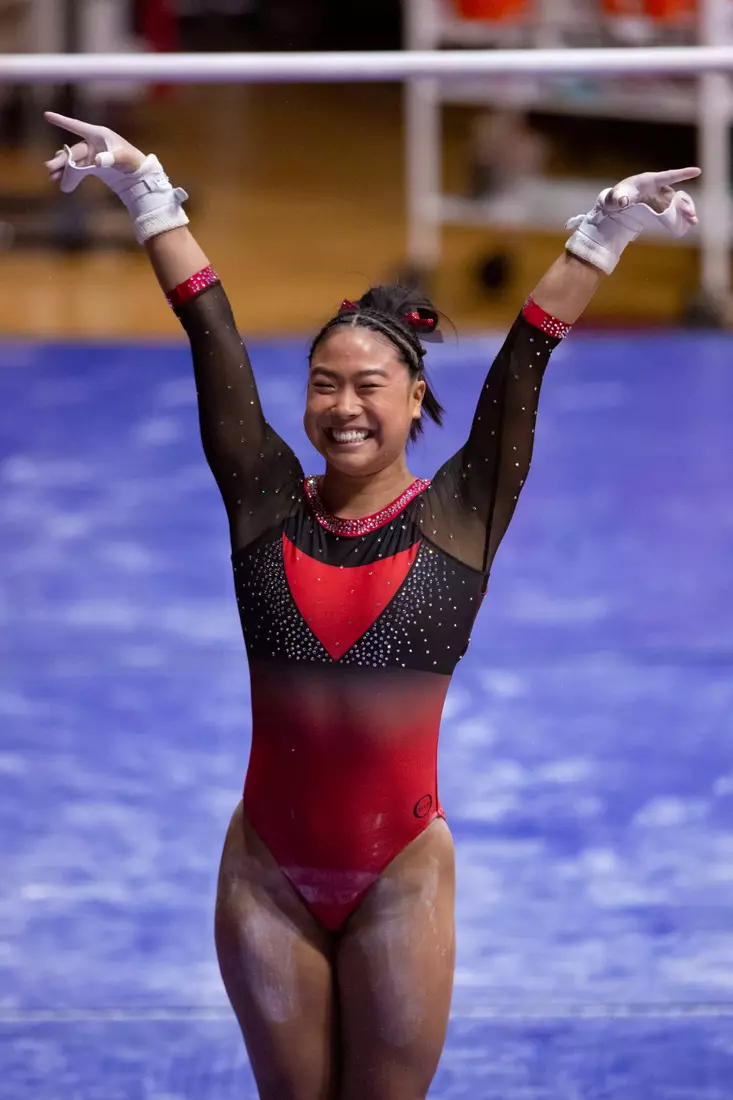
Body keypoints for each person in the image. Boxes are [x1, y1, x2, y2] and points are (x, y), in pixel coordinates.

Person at [44, 109, 698, 1100]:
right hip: (267, 872)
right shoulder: (264, 502)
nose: (343, 404)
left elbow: (524, 361)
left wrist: (600, 234)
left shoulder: (460, 517)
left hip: (401, 872)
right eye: (322, 384)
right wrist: (148, 192)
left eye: (368, 385)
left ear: (413, 396)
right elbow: (209, 326)